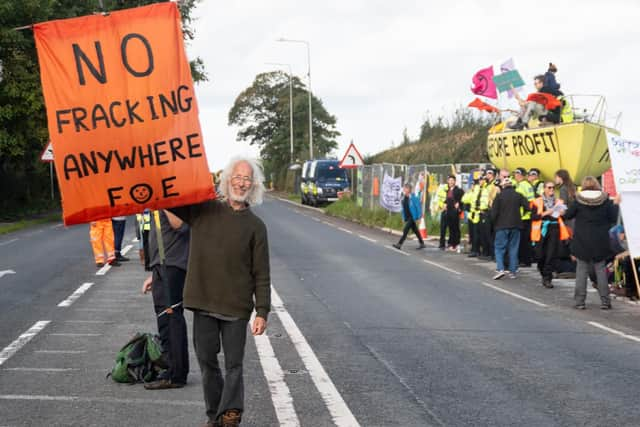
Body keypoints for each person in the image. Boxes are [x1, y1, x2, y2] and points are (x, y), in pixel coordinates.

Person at [170, 156, 270, 427]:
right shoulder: (204, 210)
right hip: (203, 301)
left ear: (254, 186)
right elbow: (172, 200)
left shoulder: (256, 227)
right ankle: (215, 413)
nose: (241, 182)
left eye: (247, 178)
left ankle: (231, 412)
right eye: (237, 177)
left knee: (234, 364)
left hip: (236, 306)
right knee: (206, 362)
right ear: (226, 180)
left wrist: (262, 311)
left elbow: (261, 273)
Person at [142, 209, 190, 390]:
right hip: (162, 265)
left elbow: (181, 225)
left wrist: (163, 202)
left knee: (171, 318)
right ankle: (171, 369)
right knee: (164, 318)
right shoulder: (160, 198)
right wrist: (154, 275)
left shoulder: (170, 197)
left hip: (172, 264)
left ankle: (176, 374)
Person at [564, 176, 618, 310]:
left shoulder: (578, 199)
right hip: (600, 239)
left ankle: (580, 301)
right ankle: (605, 301)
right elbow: (612, 217)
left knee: (581, 270)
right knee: (600, 270)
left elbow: (568, 215)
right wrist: (615, 204)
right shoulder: (605, 199)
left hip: (582, 239)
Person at [530, 181, 570, 288]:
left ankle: (547, 278)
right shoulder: (537, 201)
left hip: (554, 228)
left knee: (551, 254)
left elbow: (565, 215)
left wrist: (563, 213)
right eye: (549, 187)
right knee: (540, 255)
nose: (551, 190)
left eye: (553, 188)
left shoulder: (558, 201)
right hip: (542, 229)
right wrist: (546, 213)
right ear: (544, 189)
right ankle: (542, 270)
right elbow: (533, 217)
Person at [491, 177, 529, 280]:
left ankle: (500, 269)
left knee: (499, 248)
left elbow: (494, 213)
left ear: (503, 186)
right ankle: (513, 272)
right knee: (513, 248)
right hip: (516, 225)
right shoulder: (518, 195)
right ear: (512, 185)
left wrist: (493, 224)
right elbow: (527, 207)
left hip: (501, 226)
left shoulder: (499, 197)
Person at [393, 183, 426, 250]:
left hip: (412, 217)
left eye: (406, 188)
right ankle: (422, 243)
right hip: (407, 217)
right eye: (404, 188)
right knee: (416, 230)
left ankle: (399, 244)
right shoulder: (403, 198)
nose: (404, 189)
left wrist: (419, 217)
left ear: (409, 189)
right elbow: (403, 208)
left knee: (405, 230)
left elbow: (418, 207)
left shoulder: (413, 198)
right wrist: (403, 217)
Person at [514, 167, 535, 267]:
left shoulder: (522, 186)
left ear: (521, 175)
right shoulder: (525, 185)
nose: (515, 176)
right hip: (525, 216)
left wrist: (525, 212)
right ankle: (526, 260)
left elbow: (529, 202)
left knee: (523, 240)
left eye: (517, 174)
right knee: (525, 240)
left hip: (523, 217)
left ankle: (524, 260)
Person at [438, 175, 463, 251]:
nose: (451, 182)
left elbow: (462, 199)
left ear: (455, 181)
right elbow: (446, 199)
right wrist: (444, 204)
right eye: (450, 180)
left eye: (452, 180)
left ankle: (456, 243)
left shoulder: (458, 190)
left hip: (455, 211)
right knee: (451, 228)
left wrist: (459, 204)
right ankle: (451, 243)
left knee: (456, 228)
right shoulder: (447, 190)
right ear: (448, 181)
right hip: (448, 211)